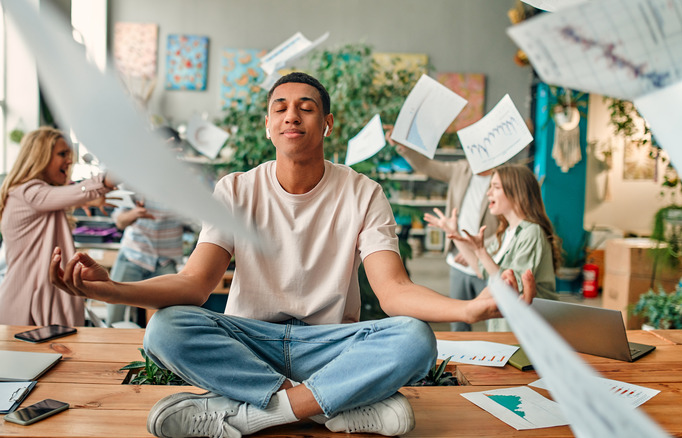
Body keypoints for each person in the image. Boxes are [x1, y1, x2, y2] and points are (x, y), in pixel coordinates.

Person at [50, 72, 535, 437]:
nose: (291, 115)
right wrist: (109, 286)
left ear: (326, 124)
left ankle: (253, 414)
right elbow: (194, 286)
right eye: (280, 107)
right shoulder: (235, 189)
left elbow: (393, 292)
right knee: (166, 327)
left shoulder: (364, 193)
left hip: (330, 345)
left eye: (305, 107)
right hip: (251, 342)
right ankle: (337, 408)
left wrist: (470, 310)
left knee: (414, 338)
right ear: (268, 126)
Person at [0, 126, 115, 326]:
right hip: (26, 304)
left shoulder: (34, 194)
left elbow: (66, 195)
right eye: (62, 154)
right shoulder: (28, 192)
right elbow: (84, 190)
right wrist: (125, 168)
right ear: (40, 157)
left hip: (41, 298)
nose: (69, 160)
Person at [425, 163, 560, 331]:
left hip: (527, 331)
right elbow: (481, 269)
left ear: (516, 192)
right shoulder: (505, 233)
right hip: (504, 329)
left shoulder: (531, 233)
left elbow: (513, 287)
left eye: (495, 187)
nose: (488, 193)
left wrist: (481, 253)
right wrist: (453, 233)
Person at [392, 138, 499, 331]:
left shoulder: (500, 178)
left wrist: (477, 251)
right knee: (459, 321)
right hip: (457, 260)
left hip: (487, 260)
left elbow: (505, 226)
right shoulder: (461, 169)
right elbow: (427, 165)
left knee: (495, 321)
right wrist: (405, 148)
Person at [106, 198, 184, 327]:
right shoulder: (137, 186)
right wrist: (135, 213)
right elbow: (120, 221)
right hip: (133, 255)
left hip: (165, 261)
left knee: (173, 317)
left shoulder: (183, 190)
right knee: (114, 316)